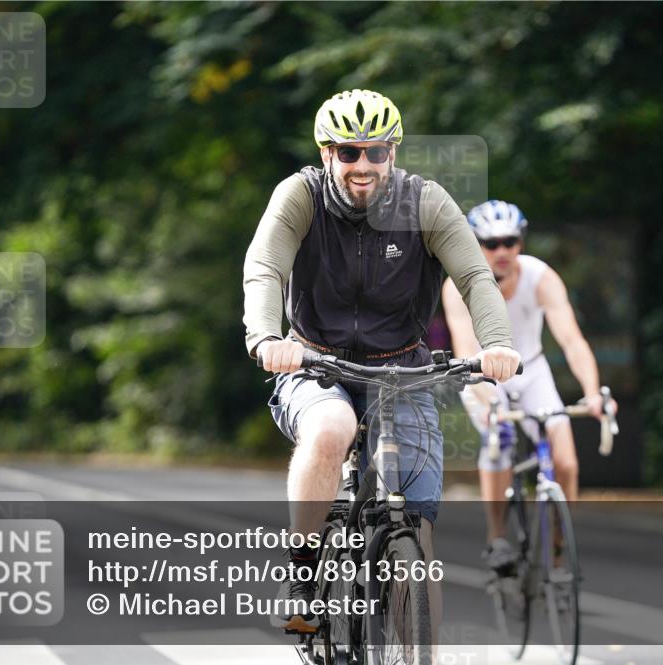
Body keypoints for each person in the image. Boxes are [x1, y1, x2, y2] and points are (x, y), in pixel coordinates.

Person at [242, 89, 521, 633]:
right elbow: (265, 266)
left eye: (375, 151)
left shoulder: (426, 203)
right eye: (348, 152)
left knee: (416, 530)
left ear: (393, 153)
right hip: (314, 360)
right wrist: (265, 337)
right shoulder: (300, 196)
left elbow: (474, 278)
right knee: (331, 427)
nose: (362, 165)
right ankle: (302, 574)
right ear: (327, 154)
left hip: (403, 369)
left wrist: (497, 344)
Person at [441, 200, 616, 571]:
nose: (502, 251)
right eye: (490, 244)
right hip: (482, 375)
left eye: (510, 241)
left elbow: (571, 340)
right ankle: (497, 538)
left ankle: (558, 540)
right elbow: (465, 348)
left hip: (531, 370)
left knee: (566, 460)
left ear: (520, 241)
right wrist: (490, 402)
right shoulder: (457, 285)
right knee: (498, 441)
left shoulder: (541, 277)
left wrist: (591, 391)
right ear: (475, 245)